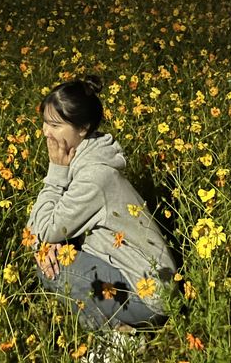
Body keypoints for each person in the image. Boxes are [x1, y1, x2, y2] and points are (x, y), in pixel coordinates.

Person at [26, 75, 176, 331]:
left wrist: (55, 172)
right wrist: (46, 240)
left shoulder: (94, 177)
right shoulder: (85, 157)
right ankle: (119, 329)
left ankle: (114, 339)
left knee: (51, 268)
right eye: (44, 122)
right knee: (47, 253)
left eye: (54, 124)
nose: (45, 132)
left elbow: (45, 228)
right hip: (129, 278)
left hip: (145, 297)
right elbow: (39, 230)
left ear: (82, 128)